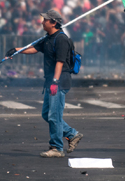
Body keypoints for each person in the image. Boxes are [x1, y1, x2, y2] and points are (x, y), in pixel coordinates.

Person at [5, 9, 83, 158]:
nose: (42, 22)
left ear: (53, 22)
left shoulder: (61, 39)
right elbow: (34, 48)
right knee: (47, 114)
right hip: (51, 81)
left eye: (45, 20)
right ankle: (72, 134)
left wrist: (55, 81)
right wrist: (16, 50)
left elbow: (60, 62)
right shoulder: (48, 38)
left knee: (54, 115)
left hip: (59, 81)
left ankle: (56, 147)